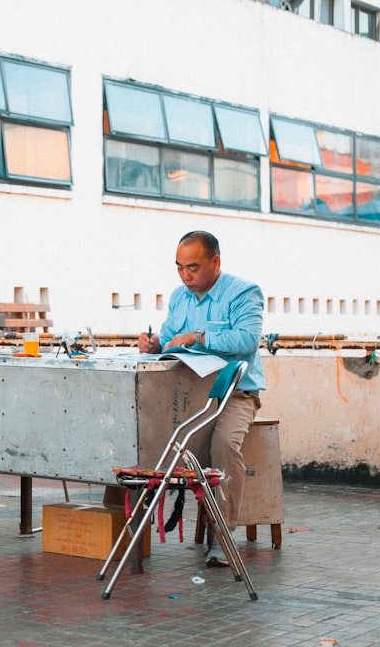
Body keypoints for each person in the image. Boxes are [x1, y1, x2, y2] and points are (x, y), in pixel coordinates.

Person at [137, 230, 265, 567]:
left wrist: (199, 337)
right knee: (139, 432)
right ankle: (131, 532)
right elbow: (167, 339)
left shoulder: (243, 292)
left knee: (223, 444)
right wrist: (154, 345)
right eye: (179, 267)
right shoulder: (179, 297)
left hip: (233, 393)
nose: (185, 275)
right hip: (187, 392)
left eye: (193, 267)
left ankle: (223, 536)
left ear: (215, 262)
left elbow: (248, 340)